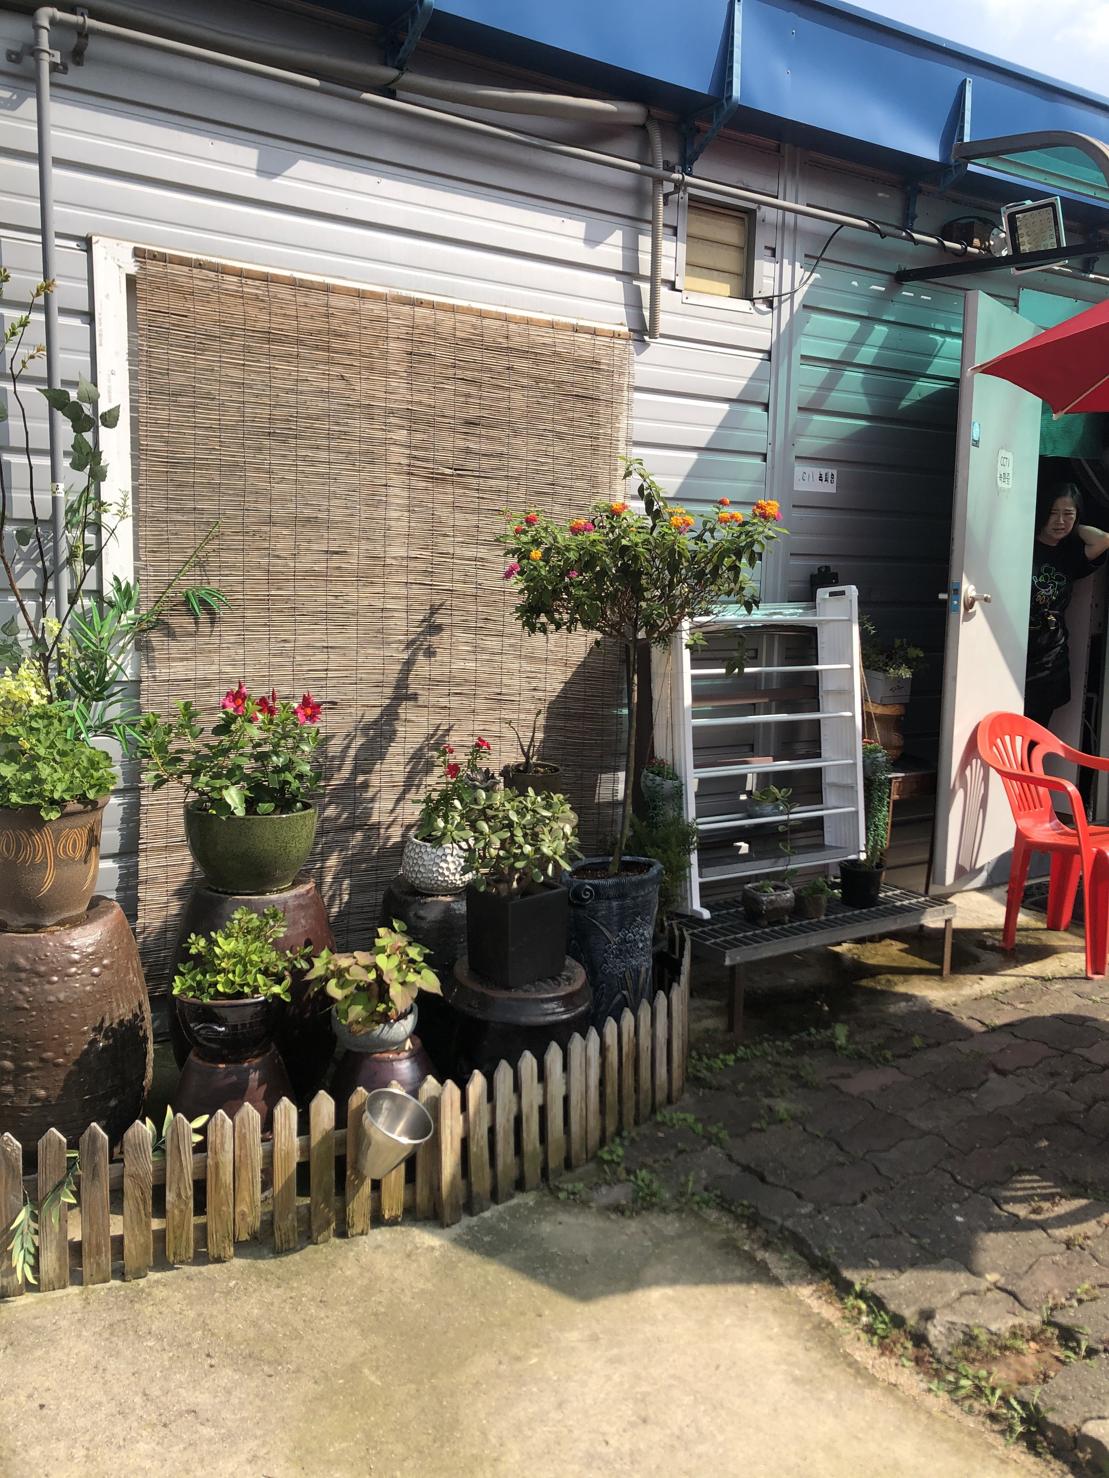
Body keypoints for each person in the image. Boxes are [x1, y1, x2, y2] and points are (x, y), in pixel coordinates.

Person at [1025, 481, 1109, 729]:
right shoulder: (1023, 545)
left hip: (1050, 657)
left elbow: (1103, 539)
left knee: (1036, 732)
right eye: (1052, 512)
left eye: (1068, 514)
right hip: (1016, 650)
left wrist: (1074, 525)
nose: (1059, 521)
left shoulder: (1069, 555)